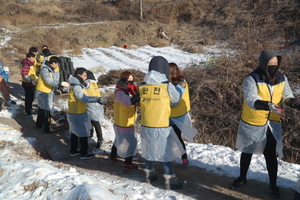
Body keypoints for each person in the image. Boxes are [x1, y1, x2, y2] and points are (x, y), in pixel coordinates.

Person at [231, 49, 300, 199]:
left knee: (270, 154)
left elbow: (286, 96)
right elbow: (250, 99)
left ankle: (273, 185)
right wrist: (267, 105)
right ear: (263, 63)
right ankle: (242, 177)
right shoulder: (252, 78)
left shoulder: (281, 78)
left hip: (272, 123)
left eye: (276, 63)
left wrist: (292, 102)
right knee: (247, 151)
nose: (273, 65)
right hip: (254, 121)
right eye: (270, 63)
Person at [139, 56, 185, 190]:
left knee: (148, 149)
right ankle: (169, 179)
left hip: (146, 123)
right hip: (161, 123)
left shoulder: (142, 85)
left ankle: (149, 174)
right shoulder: (166, 85)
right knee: (166, 152)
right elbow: (175, 100)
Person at [68, 67, 107, 160]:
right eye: (85, 75)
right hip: (78, 112)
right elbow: (83, 98)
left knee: (74, 132)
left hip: (73, 111)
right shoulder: (77, 86)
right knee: (83, 133)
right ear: (79, 75)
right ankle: (84, 153)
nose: (86, 77)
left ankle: (73, 151)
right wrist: (96, 99)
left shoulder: (74, 84)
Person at [169, 63, 198, 168]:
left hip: (178, 117)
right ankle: (169, 157)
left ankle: (184, 158)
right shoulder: (169, 83)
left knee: (177, 138)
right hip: (169, 115)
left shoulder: (181, 83)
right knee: (169, 138)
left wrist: (162, 102)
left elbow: (175, 101)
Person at [109, 70, 139, 170]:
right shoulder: (119, 92)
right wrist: (138, 97)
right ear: (123, 79)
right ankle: (128, 162)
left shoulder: (130, 90)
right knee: (132, 142)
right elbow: (127, 102)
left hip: (124, 120)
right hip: (123, 121)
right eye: (128, 79)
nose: (130, 81)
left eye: (132, 79)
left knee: (118, 139)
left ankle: (113, 155)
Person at [35, 56, 60, 133]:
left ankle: (39, 124)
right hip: (43, 92)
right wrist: (59, 83)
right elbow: (48, 80)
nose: (58, 66)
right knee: (46, 109)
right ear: (53, 63)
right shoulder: (45, 69)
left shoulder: (50, 69)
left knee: (41, 108)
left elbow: (55, 78)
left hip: (46, 90)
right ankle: (47, 128)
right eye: (57, 64)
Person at [86, 70, 104, 149]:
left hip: (90, 105)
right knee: (95, 122)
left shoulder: (87, 83)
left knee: (92, 122)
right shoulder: (94, 83)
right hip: (97, 106)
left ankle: (97, 138)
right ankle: (98, 138)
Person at [21, 52, 37, 118]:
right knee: (28, 98)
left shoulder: (31, 64)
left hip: (31, 83)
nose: (34, 59)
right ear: (28, 58)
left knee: (32, 97)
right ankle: (28, 113)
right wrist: (31, 80)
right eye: (33, 57)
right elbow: (24, 75)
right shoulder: (26, 65)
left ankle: (29, 108)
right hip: (27, 83)